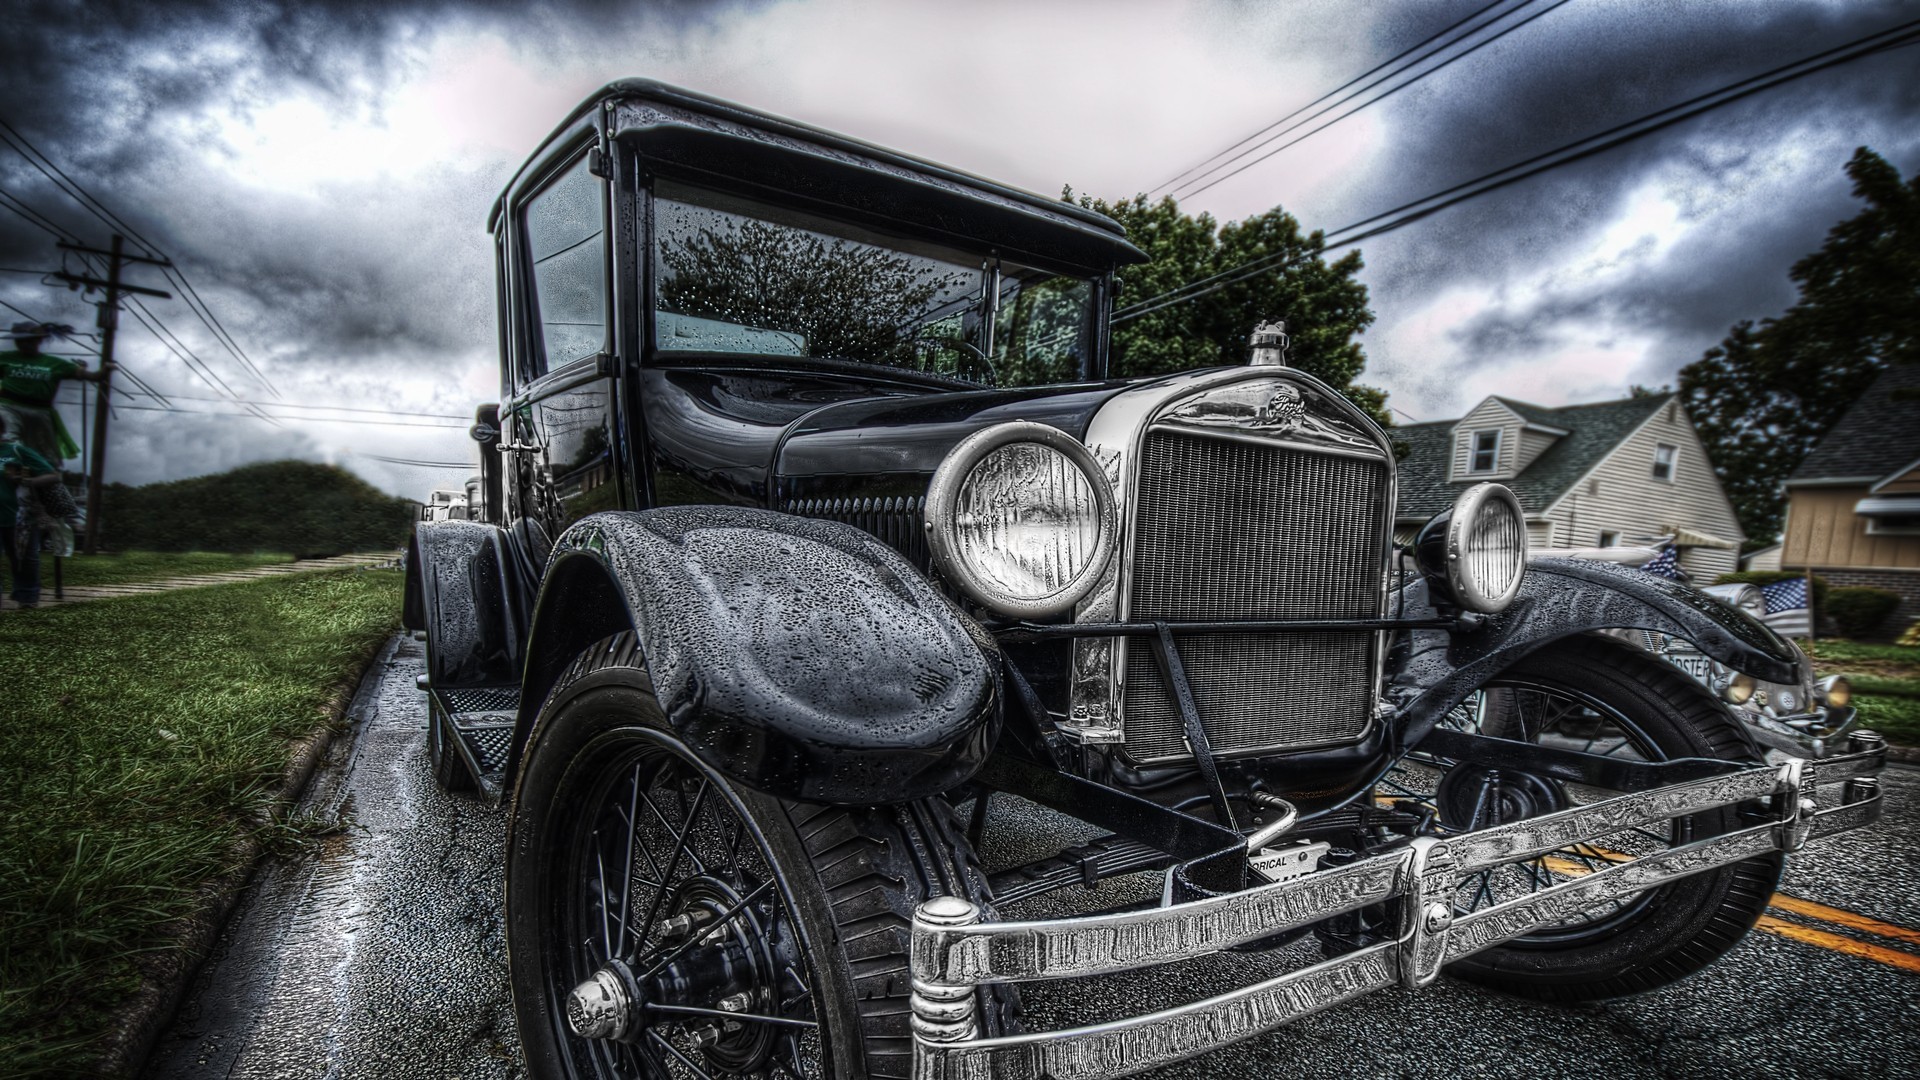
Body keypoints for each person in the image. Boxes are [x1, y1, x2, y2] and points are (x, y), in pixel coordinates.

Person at [0, 321, 100, 465]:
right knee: (10, 435)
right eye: (19, 341)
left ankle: (44, 476)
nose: (23, 344)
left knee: (45, 454)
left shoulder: (54, 363)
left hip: (40, 411)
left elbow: (90, 376)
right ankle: (9, 462)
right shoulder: (6, 358)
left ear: (38, 340)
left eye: (27, 341)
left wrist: (104, 371)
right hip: (8, 405)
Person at [1, 410, 60, 609]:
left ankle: (27, 598)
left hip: (20, 516)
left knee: (25, 559)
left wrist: (26, 480)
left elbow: (52, 476)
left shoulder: (17, 451)